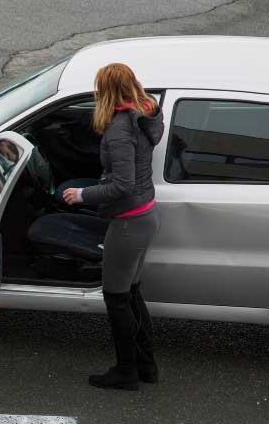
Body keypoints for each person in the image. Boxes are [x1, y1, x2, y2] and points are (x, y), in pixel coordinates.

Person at [62, 63, 164, 391]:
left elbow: (122, 184)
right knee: (132, 295)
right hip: (145, 216)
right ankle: (146, 367)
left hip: (128, 224)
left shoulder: (121, 129)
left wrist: (82, 195)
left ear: (106, 90)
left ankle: (126, 372)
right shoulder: (145, 114)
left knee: (116, 298)